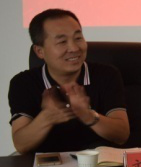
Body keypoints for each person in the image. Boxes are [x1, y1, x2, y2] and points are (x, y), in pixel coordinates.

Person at [8, 9, 130, 154]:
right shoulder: (23, 83)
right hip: (48, 164)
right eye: (62, 42)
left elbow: (122, 135)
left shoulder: (107, 75)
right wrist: (47, 117)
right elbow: (21, 145)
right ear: (40, 51)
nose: (74, 48)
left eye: (78, 38)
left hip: (98, 162)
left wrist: (88, 115)